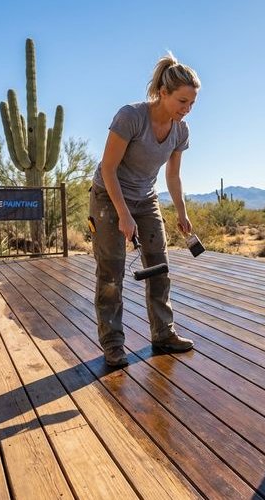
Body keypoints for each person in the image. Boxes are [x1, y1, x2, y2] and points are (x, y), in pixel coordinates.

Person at [89, 52, 199, 367]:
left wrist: (181, 211)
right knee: (111, 272)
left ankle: (164, 334)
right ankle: (113, 344)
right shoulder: (131, 117)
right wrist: (123, 214)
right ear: (162, 93)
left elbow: (173, 175)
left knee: (159, 267)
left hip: (146, 197)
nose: (187, 109)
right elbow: (109, 169)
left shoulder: (181, 130)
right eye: (182, 101)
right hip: (108, 196)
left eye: (191, 103)